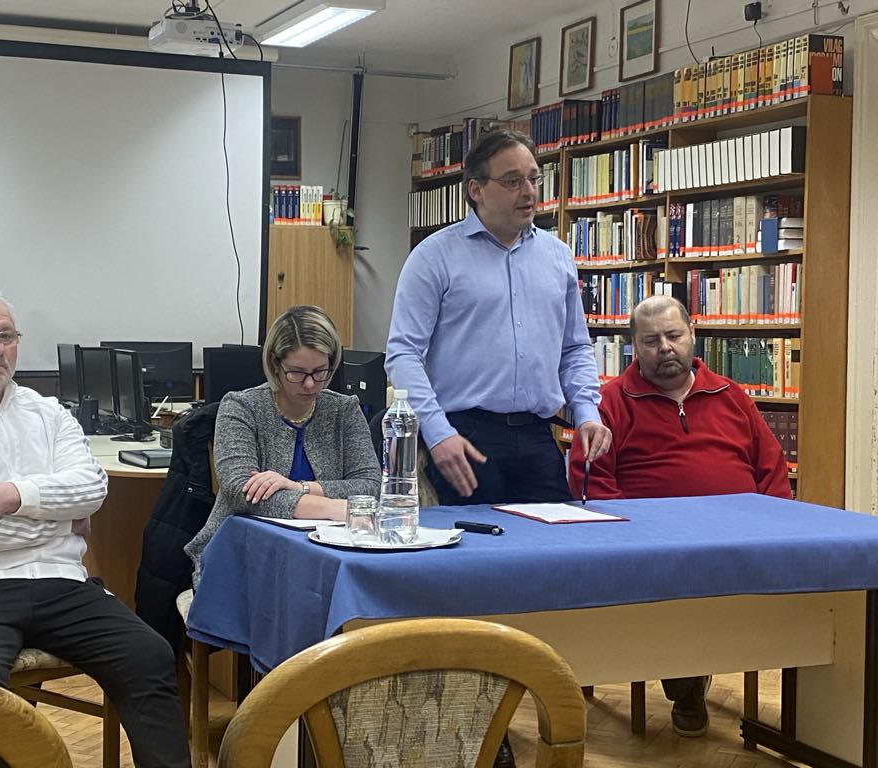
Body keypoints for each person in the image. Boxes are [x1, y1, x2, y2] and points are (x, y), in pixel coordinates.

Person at [0, 284, 190, 768]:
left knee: (149, 653)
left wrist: (8, 496)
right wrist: (61, 521)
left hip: (60, 584)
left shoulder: (49, 412)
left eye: (7, 335)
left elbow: (93, 489)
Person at [568, 294, 792, 738]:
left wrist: (775, 529)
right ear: (634, 346)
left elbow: (772, 470)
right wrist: (631, 533)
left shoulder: (732, 397)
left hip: (737, 539)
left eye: (673, 335)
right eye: (651, 341)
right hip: (652, 544)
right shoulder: (609, 403)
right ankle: (686, 682)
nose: (665, 348)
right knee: (676, 581)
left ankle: (697, 672)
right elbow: (589, 479)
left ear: (692, 334)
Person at [386, 128, 612, 507]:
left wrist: (587, 413)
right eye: (512, 181)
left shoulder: (557, 256)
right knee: (471, 542)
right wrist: (438, 433)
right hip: (465, 437)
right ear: (476, 190)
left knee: (555, 541)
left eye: (534, 179)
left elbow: (574, 349)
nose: (529, 192)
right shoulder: (434, 256)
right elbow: (403, 354)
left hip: (538, 435)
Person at [185, 305, 381, 588]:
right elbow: (241, 492)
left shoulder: (344, 410)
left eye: (320, 371)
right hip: (242, 555)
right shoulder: (241, 406)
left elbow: (369, 486)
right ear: (276, 364)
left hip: (325, 555)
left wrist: (297, 487)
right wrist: (333, 507)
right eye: (297, 373)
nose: (310, 384)